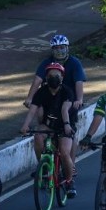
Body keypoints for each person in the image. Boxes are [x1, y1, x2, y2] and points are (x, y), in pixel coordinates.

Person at [23, 34, 86, 163]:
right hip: (50, 97)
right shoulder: (47, 62)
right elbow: (37, 80)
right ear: (52, 50)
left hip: (68, 99)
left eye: (62, 48)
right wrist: (29, 98)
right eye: (56, 48)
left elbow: (79, 82)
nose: (59, 51)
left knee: (70, 132)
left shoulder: (74, 63)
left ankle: (71, 163)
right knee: (40, 119)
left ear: (67, 48)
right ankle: (42, 164)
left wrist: (79, 100)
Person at [19, 62, 77, 198]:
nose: (53, 77)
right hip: (49, 125)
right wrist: (25, 126)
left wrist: (68, 125)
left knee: (64, 152)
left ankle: (69, 181)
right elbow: (33, 109)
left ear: (62, 77)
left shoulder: (67, 91)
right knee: (38, 136)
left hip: (65, 125)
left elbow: (64, 110)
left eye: (57, 75)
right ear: (46, 77)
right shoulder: (42, 91)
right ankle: (43, 166)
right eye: (50, 75)